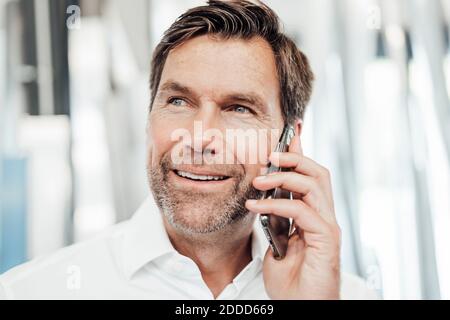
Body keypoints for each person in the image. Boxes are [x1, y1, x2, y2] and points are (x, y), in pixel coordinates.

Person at [0, 0, 377, 299]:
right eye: (178, 102)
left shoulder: (345, 296)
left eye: (238, 109)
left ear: (287, 141)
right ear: (149, 117)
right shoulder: (29, 293)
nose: (200, 137)